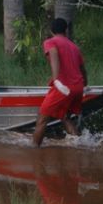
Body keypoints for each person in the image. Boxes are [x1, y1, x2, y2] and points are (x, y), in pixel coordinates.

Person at [33, 18, 88, 147]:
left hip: (63, 87)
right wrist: (84, 84)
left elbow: (53, 55)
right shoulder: (74, 46)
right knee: (65, 117)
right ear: (65, 31)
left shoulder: (50, 42)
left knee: (42, 120)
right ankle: (81, 147)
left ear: (51, 30)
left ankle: (33, 151)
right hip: (78, 87)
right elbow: (82, 69)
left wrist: (56, 80)